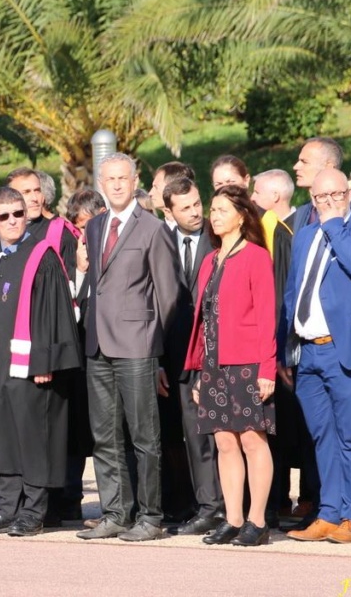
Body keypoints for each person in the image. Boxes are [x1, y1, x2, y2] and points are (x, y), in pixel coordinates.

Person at [279, 169, 351, 544]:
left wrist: (334, 227)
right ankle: (328, 513)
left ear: (348, 195)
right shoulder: (305, 235)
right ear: (311, 200)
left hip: (347, 350)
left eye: (334, 196)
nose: (327, 203)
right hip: (308, 352)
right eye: (320, 198)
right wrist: (284, 348)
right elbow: (292, 291)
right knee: (321, 436)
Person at [0, 187, 82, 536]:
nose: (14, 220)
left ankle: (33, 511)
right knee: (3, 435)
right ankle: (7, 509)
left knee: (33, 437)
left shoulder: (42, 255)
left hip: (31, 367)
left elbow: (56, 313)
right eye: (5, 216)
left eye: (19, 213)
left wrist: (45, 362)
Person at [78, 152, 179, 542]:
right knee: (105, 436)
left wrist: (154, 347)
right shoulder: (96, 225)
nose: (117, 185)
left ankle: (151, 517)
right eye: (110, 179)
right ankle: (115, 513)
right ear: (101, 183)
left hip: (137, 345)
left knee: (144, 436)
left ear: (135, 180)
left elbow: (168, 296)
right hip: (98, 344)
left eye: (124, 178)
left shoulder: (152, 228)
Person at [184, 185, 276, 547]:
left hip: (248, 363)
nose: (213, 215)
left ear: (242, 215)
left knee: (253, 439)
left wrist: (267, 367)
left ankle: (258, 520)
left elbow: (268, 317)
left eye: (221, 209)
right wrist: (198, 371)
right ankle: (234, 518)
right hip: (213, 364)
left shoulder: (255, 256)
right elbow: (204, 319)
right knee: (224, 441)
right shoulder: (210, 258)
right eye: (212, 209)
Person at [160, 178, 224, 535]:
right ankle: (203, 505)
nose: (196, 212)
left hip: (215, 355)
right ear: (168, 211)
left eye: (198, 203)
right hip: (174, 357)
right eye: (185, 207)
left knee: (220, 436)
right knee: (190, 436)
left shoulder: (219, 242)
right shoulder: (160, 242)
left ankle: (223, 506)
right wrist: (155, 360)